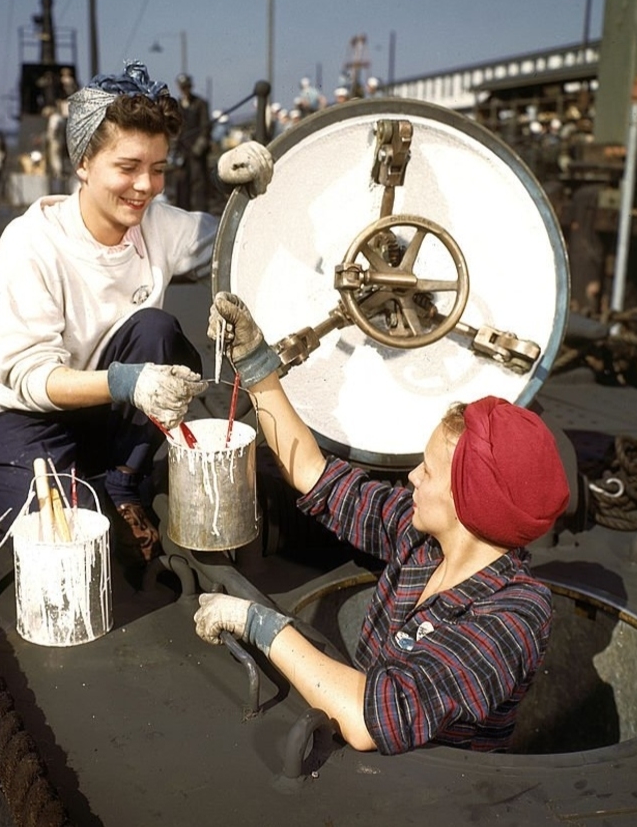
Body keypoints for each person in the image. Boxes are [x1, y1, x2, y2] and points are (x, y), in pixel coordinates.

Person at [195, 288, 570, 755]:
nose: (412, 476)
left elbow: (373, 719)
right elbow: (317, 477)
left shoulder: (513, 616)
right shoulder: (423, 539)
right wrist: (254, 365)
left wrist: (261, 625)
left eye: (428, 471)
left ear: (469, 505)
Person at [0, 61, 263, 562]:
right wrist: (130, 383)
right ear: (83, 162)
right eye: (127, 168)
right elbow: (31, 379)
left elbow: (248, 242)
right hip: (24, 424)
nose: (145, 186)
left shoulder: (159, 224)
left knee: (156, 328)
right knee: (80, 543)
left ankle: (122, 479)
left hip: (106, 419)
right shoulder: (31, 243)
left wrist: (247, 190)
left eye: (158, 169)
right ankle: (92, 489)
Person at [172, 73, 212, 212]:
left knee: (198, 184)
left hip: (196, 153)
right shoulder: (176, 106)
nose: (185, 90)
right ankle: (182, 213)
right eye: (182, 87)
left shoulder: (200, 104)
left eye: (187, 87)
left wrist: (199, 148)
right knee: (181, 184)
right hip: (182, 151)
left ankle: (200, 213)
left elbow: (205, 128)